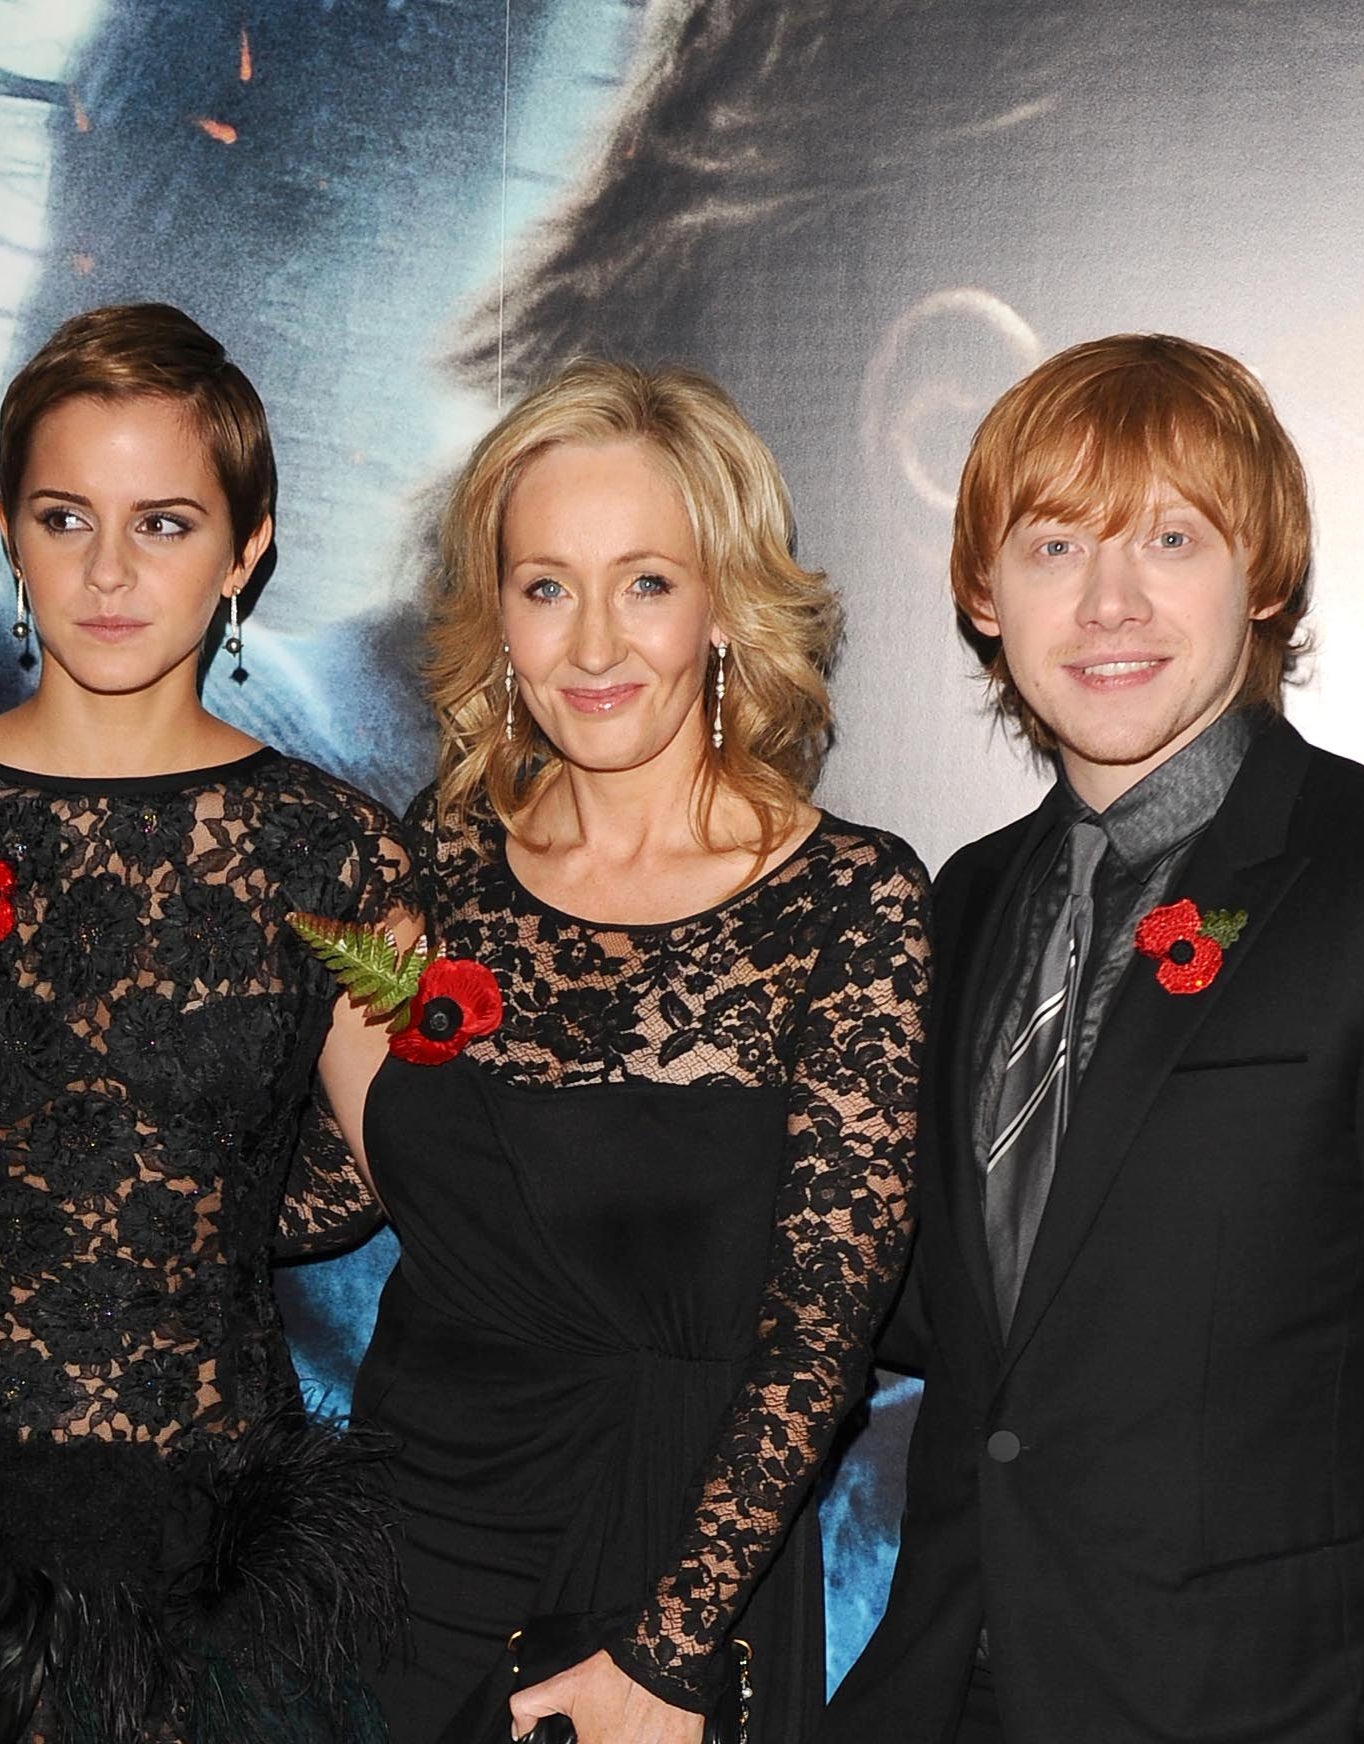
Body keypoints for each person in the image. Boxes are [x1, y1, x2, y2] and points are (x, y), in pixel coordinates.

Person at [824, 334, 1364, 1743]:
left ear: (1261, 572)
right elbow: (948, 1319)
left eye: (1170, 539)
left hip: (1257, 1709)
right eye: (1054, 544)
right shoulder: (961, 900)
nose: (1107, 602)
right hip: (945, 1690)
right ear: (979, 591)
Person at [0, 302, 414, 1743]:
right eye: (67, 517)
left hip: (218, 1562)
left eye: (167, 523)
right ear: (6, 528)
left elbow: (406, 1168)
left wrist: (194, 1197)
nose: (110, 572)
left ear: (247, 546)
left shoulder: (334, 854)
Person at [343, 361, 927, 1744]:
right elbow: (328, 1194)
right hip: (392, 1552)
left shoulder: (846, 900)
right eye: (545, 585)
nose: (593, 643)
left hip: (660, 1579)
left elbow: (821, 1331)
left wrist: (664, 1658)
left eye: (645, 583)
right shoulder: (443, 869)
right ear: (497, 617)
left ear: (722, 602)